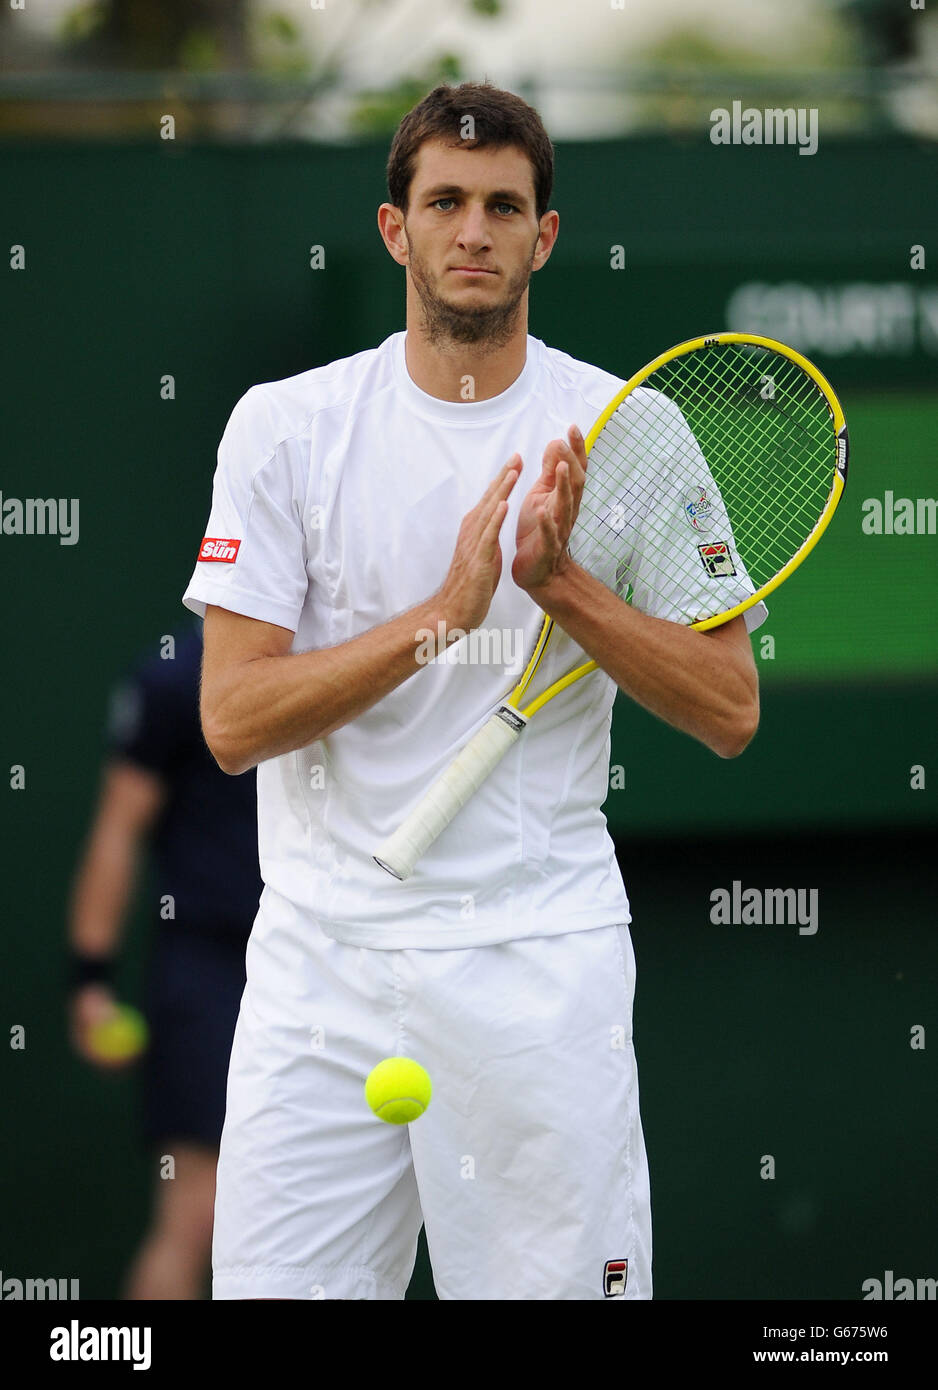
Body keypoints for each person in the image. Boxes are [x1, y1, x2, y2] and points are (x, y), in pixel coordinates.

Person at [183, 82, 763, 1301]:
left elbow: (727, 707)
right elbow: (231, 723)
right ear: (395, 229)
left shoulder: (631, 429)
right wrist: (442, 619)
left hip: (538, 965)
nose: (473, 230)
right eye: (443, 201)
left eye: (504, 206)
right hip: (318, 969)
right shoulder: (282, 429)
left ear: (541, 237)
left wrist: (564, 593)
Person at [67, 619, 262, 1299]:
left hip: (322, 965)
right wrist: (91, 979)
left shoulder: (346, 659)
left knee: (310, 1231)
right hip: (206, 972)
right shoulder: (177, 676)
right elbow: (119, 827)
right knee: (197, 1214)